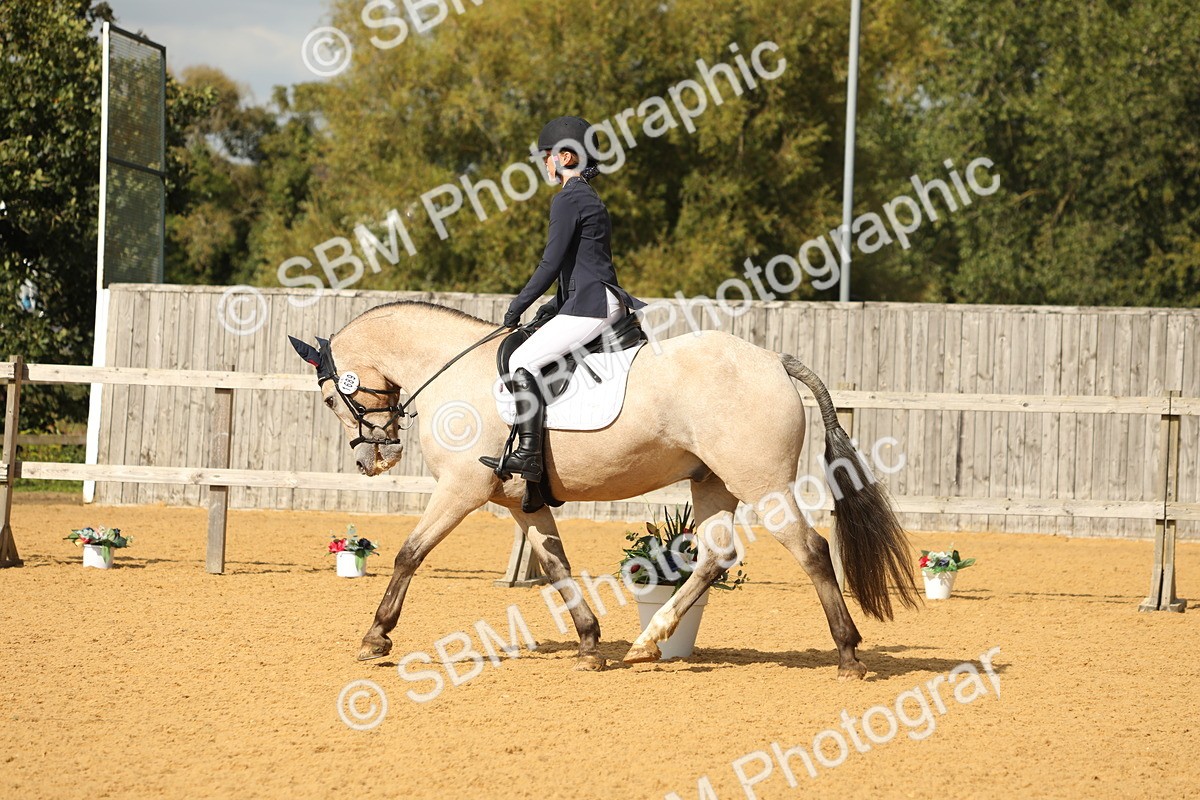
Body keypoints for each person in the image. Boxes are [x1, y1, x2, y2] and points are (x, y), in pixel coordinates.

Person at [480, 115, 647, 483]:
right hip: (596, 299)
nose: (544, 163)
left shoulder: (567, 199)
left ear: (567, 158)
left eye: (547, 156)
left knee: (523, 360)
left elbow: (551, 263)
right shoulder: (587, 197)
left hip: (592, 305)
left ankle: (528, 455)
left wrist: (517, 306)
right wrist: (552, 307)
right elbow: (584, 263)